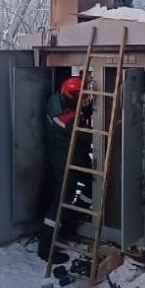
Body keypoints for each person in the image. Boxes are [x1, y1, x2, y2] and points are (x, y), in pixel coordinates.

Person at [36, 75, 95, 266]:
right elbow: (83, 135)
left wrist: (85, 109)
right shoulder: (61, 114)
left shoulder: (57, 100)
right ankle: (46, 249)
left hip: (74, 157)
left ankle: (70, 223)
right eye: (80, 96)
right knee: (61, 201)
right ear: (71, 95)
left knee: (90, 187)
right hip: (65, 161)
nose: (83, 99)